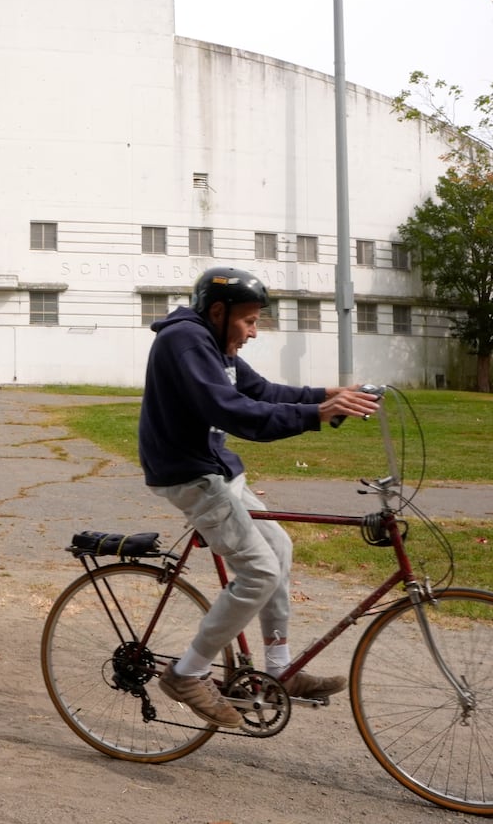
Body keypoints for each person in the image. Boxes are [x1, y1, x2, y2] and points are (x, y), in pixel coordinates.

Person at [138, 266, 381, 728]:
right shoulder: (185, 341)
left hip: (216, 469)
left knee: (279, 548)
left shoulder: (214, 344)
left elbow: (262, 391)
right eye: (249, 321)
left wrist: (334, 394)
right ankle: (186, 672)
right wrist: (316, 414)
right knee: (259, 571)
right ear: (218, 311)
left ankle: (279, 670)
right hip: (189, 474)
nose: (253, 331)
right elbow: (234, 411)